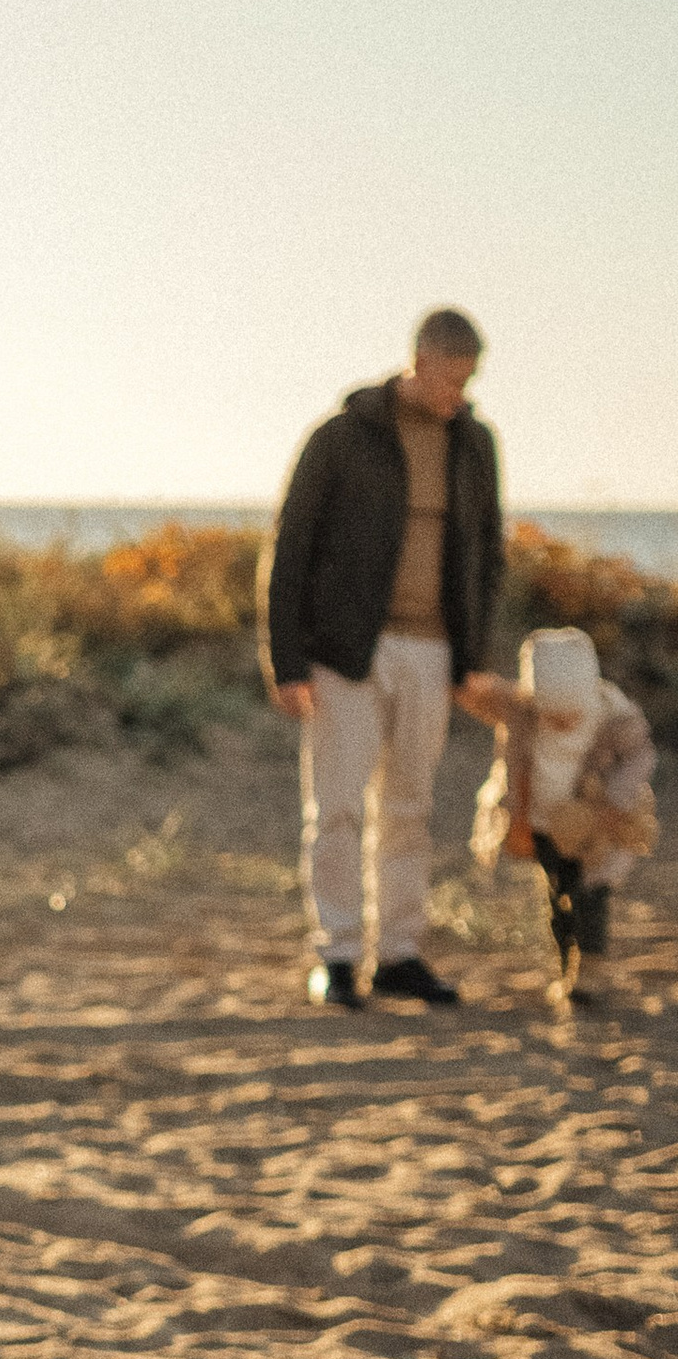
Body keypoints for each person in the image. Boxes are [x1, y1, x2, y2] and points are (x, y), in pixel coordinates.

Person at [259, 308, 509, 1011]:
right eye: (449, 378)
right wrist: (286, 660)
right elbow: (290, 549)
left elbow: (487, 551)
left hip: (433, 653)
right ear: (419, 361)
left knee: (410, 808)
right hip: (345, 652)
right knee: (336, 806)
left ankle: (399, 953)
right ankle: (336, 956)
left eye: (468, 381)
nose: (457, 394)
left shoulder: (475, 445)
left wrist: (472, 656)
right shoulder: (343, 437)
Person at [470, 622, 657, 1008]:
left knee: (591, 892)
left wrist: (615, 803)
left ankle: (587, 968)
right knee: (558, 893)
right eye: (552, 715)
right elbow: (510, 760)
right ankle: (564, 960)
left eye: (570, 714)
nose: (562, 723)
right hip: (545, 824)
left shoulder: (613, 716)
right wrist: (512, 816)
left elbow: (641, 757)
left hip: (596, 826)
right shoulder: (524, 719)